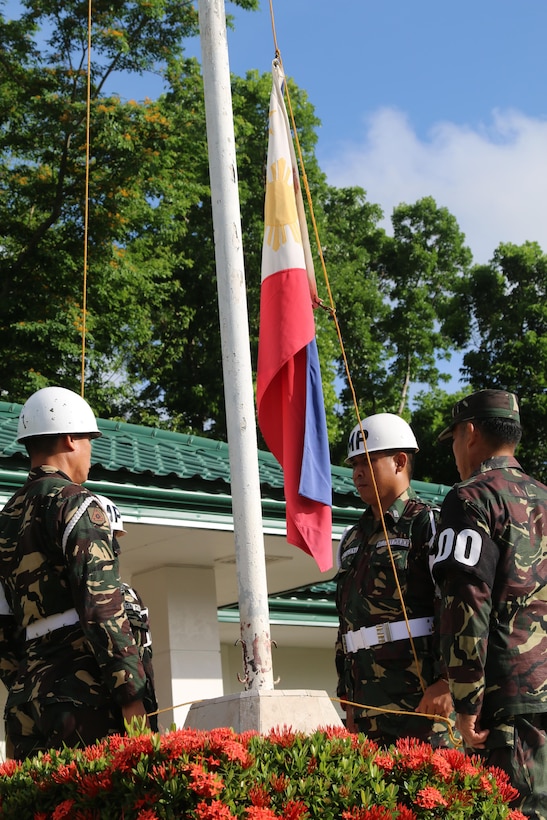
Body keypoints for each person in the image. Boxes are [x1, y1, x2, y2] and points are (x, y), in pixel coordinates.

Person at [0, 386, 148, 759]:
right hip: (84, 694)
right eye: (89, 440)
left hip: (24, 702)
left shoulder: (5, 521)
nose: (90, 453)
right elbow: (102, 605)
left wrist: (26, 681)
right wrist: (131, 694)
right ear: (70, 438)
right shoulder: (77, 505)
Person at [431, 388, 547, 819]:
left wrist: (466, 703)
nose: (456, 451)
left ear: (471, 432)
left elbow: (466, 605)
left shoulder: (470, 498)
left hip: (508, 704)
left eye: (455, 439)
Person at [335, 412, 453, 747]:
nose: (357, 472)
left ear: (400, 461)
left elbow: (453, 606)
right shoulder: (352, 538)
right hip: (364, 706)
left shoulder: (427, 525)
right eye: (354, 463)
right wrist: (346, 695)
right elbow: (346, 622)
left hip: (420, 702)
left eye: (367, 462)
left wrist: (446, 681)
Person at [95, 494, 159, 732]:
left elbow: (144, 658)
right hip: (99, 718)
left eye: (115, 539)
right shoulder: (73, 600)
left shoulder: (129, 595)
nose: (116, 549)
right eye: (108, 540)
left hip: (139, 713)